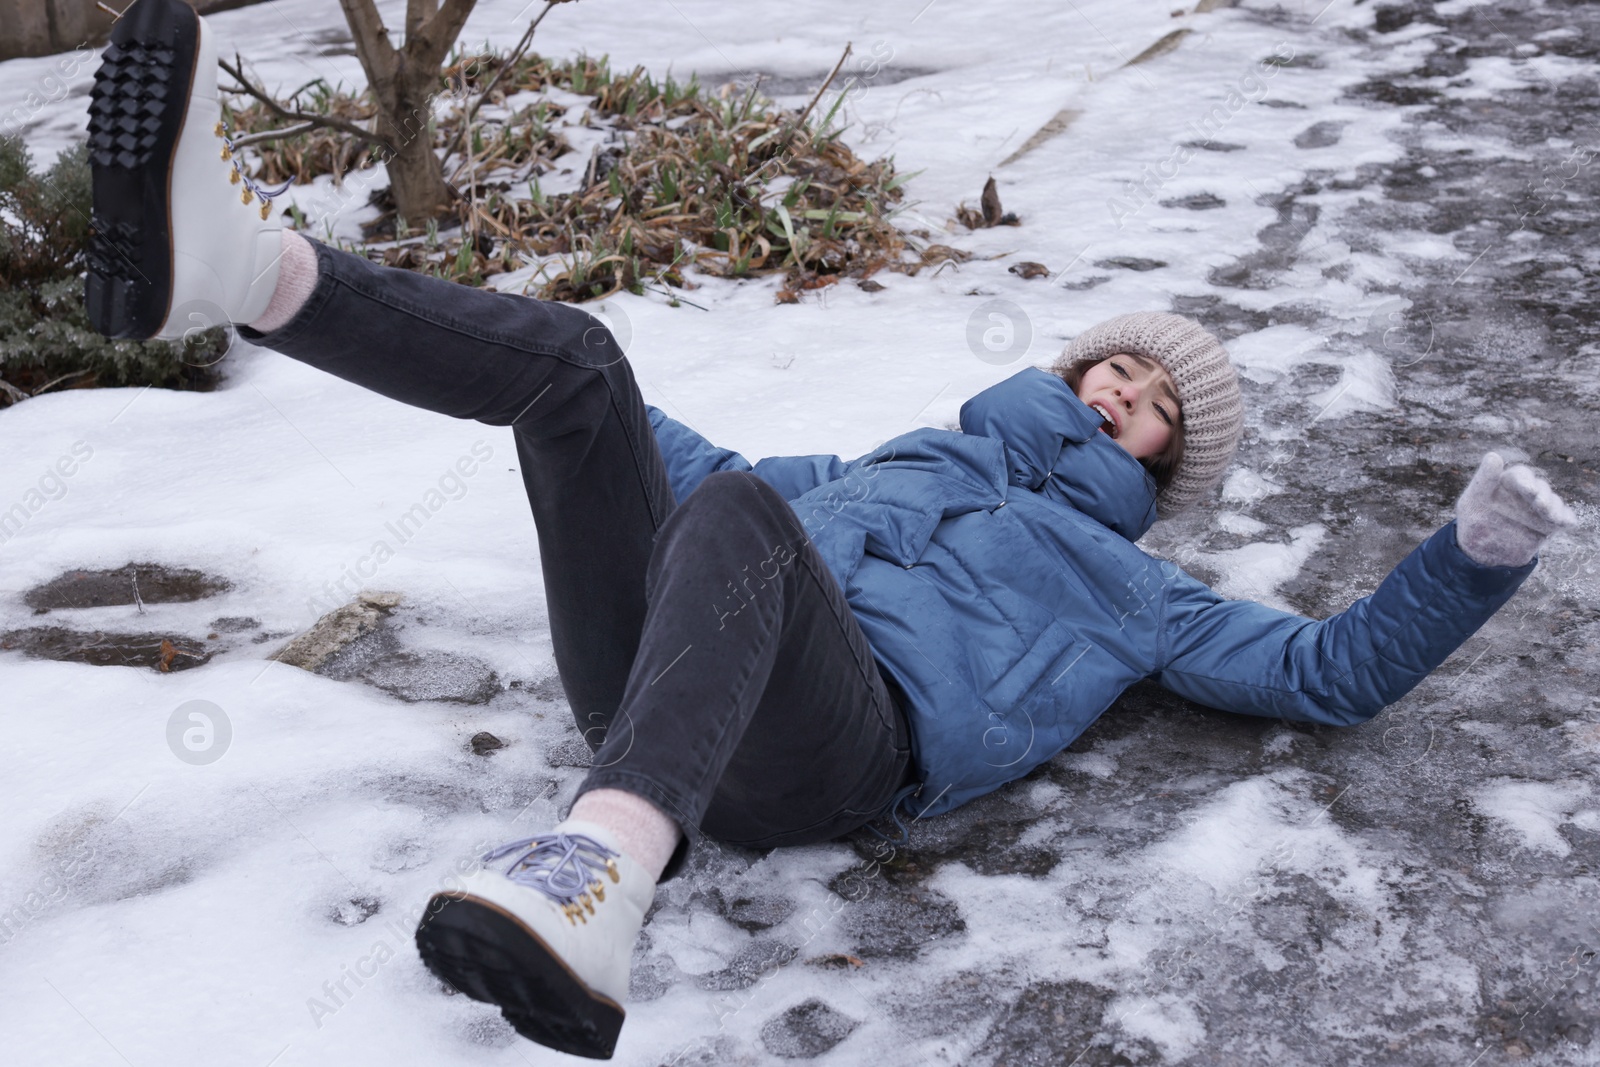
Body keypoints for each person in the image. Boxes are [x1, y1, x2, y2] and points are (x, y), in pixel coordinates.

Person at [84, 1, 1579, 1058]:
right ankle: (253, 275)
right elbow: (708, 464)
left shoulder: (1138, 587)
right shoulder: (909, 455)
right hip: (665, 683)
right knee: (590, 371)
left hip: (832, 752)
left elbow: (1330, 675)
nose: (1122, 395)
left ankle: (601, 871)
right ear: (1065, 373)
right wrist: (560, 392)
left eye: (1151, 414)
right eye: (1111, 370)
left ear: (1159, 473)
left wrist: (1476, 557)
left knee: (735, 514)